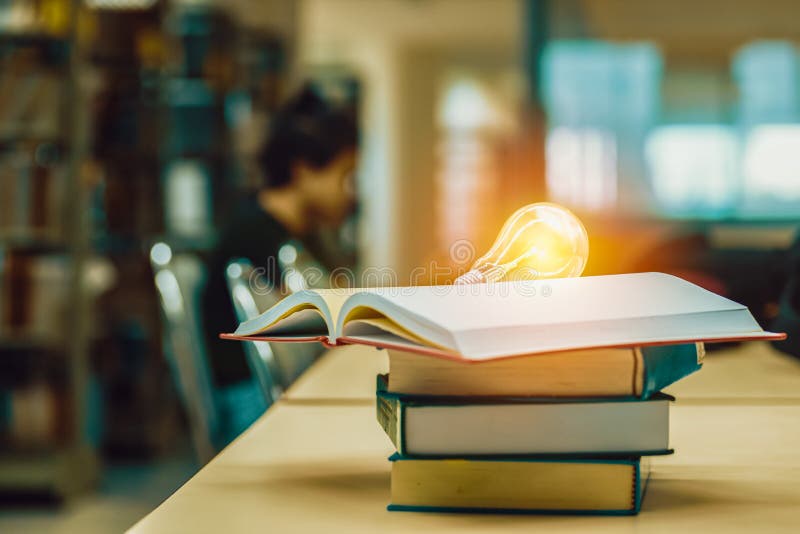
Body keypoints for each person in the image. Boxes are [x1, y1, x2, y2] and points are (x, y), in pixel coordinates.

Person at [202, 85, 358, 396]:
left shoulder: (297, 235)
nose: (349, 192)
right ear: (302, 171)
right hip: (252, 398)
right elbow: (318, 327)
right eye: (344, 176)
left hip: (275, 391)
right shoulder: (255, 238)